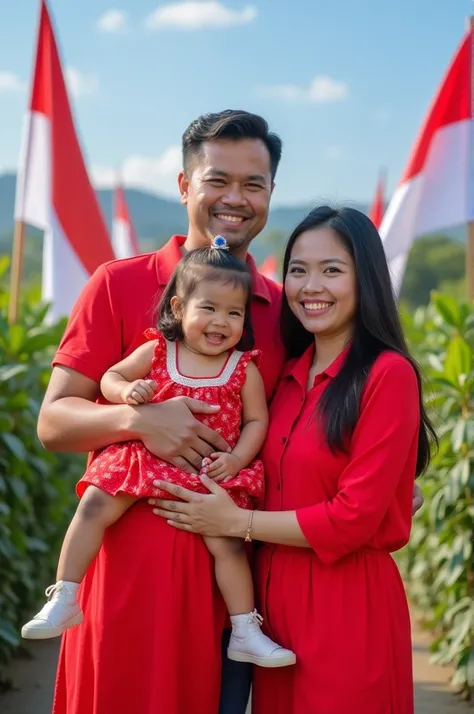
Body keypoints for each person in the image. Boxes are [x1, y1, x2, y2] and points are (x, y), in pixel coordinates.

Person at [39, 110, 423, 714]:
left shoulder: (281, 310)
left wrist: (392, 481)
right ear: (185, 184)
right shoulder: (117, 284)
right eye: (218, 180)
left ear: (271, 193)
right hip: (128, 589)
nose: (235, 199)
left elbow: (318, 419)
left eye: (255, 184)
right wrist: (138, 420)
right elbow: (54, 423)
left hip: (235, 596)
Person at [149, 206, 436, 714]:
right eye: (298, 270)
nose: (310, 286)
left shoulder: (387, 375)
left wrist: (237, 522)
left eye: (332, 270)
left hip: (346, 604)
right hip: (271, 614)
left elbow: (354, 516)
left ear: (364, 277)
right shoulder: (282, 378)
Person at [24, 242, 295, 668]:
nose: (221, 322)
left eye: (234, 313)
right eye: (208, 308)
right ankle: (65, 594)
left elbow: (256, 422)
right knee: (94, 503)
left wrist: (238, 460)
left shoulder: (244, 368)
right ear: (179, 306)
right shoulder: (157, 351)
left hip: (207, 472)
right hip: (142, 458)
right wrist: (127, 394)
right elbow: (111, 376)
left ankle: (245, 628)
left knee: (226, 545)